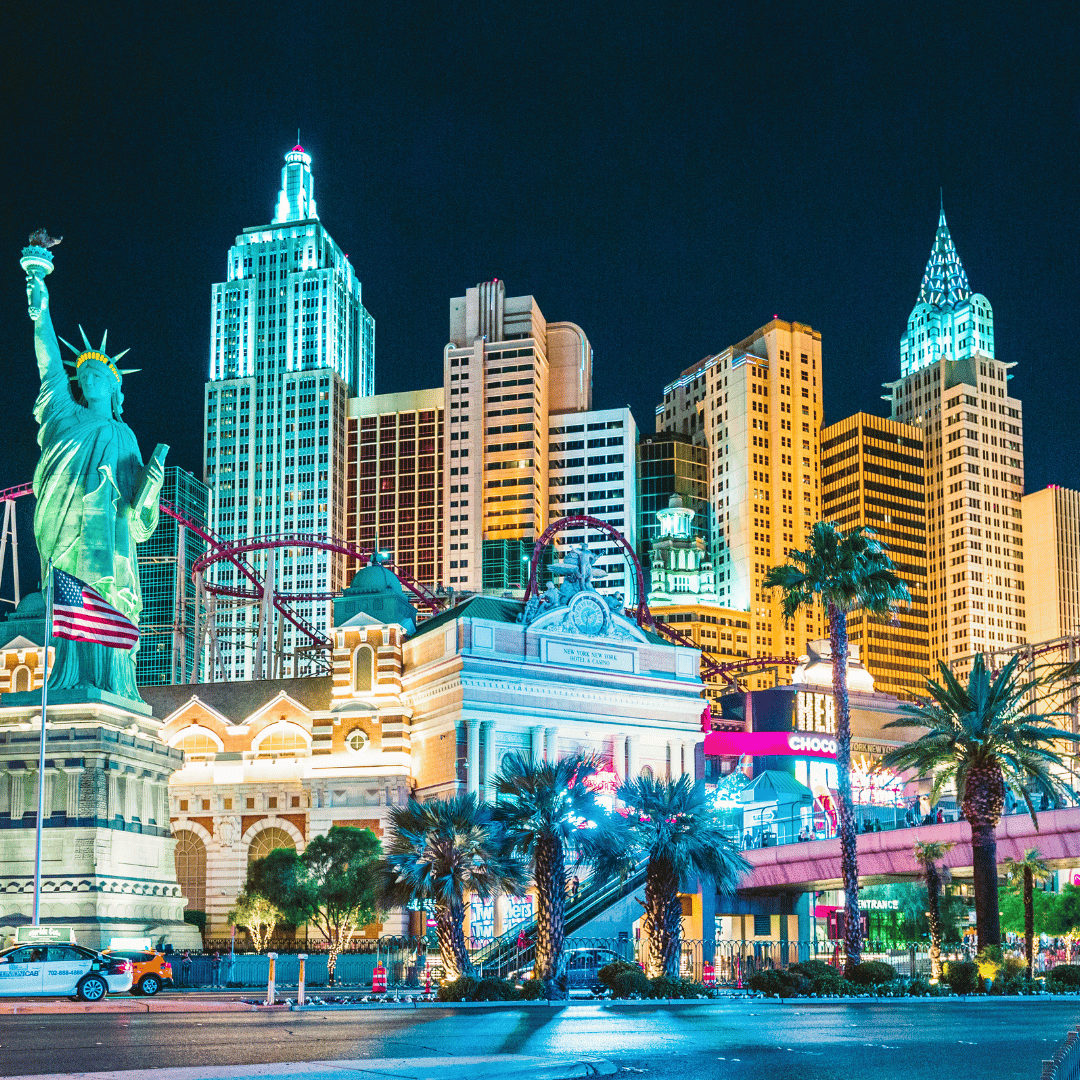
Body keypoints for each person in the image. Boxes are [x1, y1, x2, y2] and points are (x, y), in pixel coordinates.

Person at [23, 246, 166, 699]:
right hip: (69, 529)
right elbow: (48, 363)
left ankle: (111, 680)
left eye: (100, 375)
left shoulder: (125, 438)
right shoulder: (64, 415)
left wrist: (153, 484)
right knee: (70, 604)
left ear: (114, 384)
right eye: (83, 375)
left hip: (112, 540)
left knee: (108, 599)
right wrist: (40, 306)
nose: (90, 379)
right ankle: (71, 677)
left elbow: (139, 516)